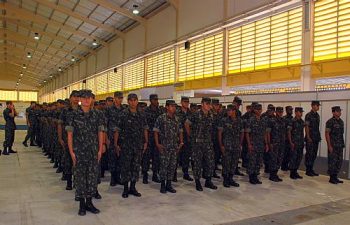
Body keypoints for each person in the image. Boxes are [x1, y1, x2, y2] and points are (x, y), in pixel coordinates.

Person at [66, 89, 105, 216]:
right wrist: (71, 151)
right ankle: (82, 205)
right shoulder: (73, 115)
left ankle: (89, 202)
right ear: (80, 100)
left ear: (92, 99)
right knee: (80, 178)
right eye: (84, 97)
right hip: (79, 152)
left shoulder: (97, 114)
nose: (87, 100)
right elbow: (70, 134)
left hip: (93, 151)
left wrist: (100, 149)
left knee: (92, 178)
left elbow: (100, 132)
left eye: (89, 97)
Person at [113, 93, 149, 198]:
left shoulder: (141, 114)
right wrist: (116, 144)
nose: (133, 102)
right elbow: (117, 130)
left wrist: (146, 141)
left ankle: (133, 187)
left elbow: (145, 128)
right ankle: (125, 188)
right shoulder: (123, 114)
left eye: (135, 100)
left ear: (137, 101)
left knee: (136, 166)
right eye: (131, 100)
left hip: (138, 145)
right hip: (126, 146)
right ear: (128, 101)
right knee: (125, 167)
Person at [185, 97, 217, 191]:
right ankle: (198, 182)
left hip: (208, 142)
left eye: (209, 104)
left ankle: (208, 180)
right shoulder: (196, 114)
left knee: (210, 162)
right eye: (207, 104)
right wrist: (191, 135)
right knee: (197, 162)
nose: (209, 106)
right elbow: (186, 124)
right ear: (202, 104)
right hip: (197, 143)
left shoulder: (211, 115)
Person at [154, 100, 184, 194]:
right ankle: (163, 185)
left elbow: (180, 131)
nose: (173, 108)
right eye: (171, 106)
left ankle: (169, 184)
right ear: (167, 107)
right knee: (164, 166)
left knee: (172, 166)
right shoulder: (161, 118)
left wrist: (181, 142)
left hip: (174, 146)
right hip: (164, 146)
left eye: (174, 106)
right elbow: (156, 131)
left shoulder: (177, 118)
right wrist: (157, 143)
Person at [218, 104, 244, 188]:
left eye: (230, 110)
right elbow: (220, 133)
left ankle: (231, 178)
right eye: (227, 110)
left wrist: (240, 144)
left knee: (234, 163)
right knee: (226, 163)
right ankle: (225, 179)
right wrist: (221, 145)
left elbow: (242, 133)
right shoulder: (224, 120)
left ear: (234, 111)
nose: (228, 112)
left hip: (236, 145)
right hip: (227, 145)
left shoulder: (240, 121)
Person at [58, 90, 80, 190]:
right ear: (70, 98)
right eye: (74, 96)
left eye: (77, 97)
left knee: (78, 161)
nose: (76, 99)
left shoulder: (82, 110)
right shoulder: (65, 110)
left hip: (80, 141)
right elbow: (60, 124)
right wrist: (60, 138)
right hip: (68, 140)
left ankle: (77, 181)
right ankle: (69, 181)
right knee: (68, 160)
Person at [105, 91, 125, 187]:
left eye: (121, 98)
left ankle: (119, 177)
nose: (120, 99)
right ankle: (113, 178)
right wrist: (106, 139)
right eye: (118, 98)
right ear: (114, 98)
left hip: (122, 137)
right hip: (111, 137)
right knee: (112, 158)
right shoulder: (109, 110)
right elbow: (105, 125)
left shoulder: (124, 109)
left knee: (120, 158)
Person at [245, 103, 268, 184]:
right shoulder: (251, 120)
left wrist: (266, 143)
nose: (259, 111)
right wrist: (249, 144)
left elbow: (264, 133)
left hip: (260, 144)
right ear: (254, 110)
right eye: (258, 109)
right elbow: (247, 133)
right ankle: (251, 177)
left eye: (260, 109)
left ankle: (256, 176)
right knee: (252, 161)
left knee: (258, 161)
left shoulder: (262, 120)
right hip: (253, 144)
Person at [143, 94, 162, 184]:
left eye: (157, 99)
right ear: (150, 100)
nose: (156, 101)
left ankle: (155, 174)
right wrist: (145, 140)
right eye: (154, 99)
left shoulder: (160, 111)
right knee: (146, 157)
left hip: (157, 138)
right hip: (148, 137)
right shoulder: (146, 111)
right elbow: (144, 126)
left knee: (156, 157)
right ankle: (145, 175)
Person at [175, 96, 193, 181]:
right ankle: (173, 174)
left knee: (186, 156)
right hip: (178, 137)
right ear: (181, 102)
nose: (186, 103)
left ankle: (185, 173)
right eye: (185, 102)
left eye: (187, 102)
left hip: (187, 137)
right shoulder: (177, 112)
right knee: (176, 156)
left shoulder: (190, 113)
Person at [325, 106, 345, 184]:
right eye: (338, 111)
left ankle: (335, 176)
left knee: (339, 161)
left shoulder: (341, 122)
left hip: (340, 145)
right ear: (333, 112)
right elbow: (327, 134)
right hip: (333, 145)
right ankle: (332, 178)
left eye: (340, 111)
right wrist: (329, 145)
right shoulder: (330, 122)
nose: (339, 112)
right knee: (332, 162)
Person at [266, 106, 286, 182]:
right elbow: (268, 133)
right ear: (276, 112)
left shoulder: (283, 120)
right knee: (273, 159)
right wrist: (269, 142)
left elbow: (284, 132)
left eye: (281, 112)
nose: (280, 113)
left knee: (279, 159)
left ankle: (275, 173)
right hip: (274, 143)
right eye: (279, 112)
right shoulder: (272, 121)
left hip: (281, 143)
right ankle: (272, 175)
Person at [304, 101, 321, 177]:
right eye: (317, 105)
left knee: (314, 154)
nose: (318, 107)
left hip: (316, 138)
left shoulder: (317, 115)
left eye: (318, 106)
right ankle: (308, 170)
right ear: (313, 106)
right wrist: (308, 137)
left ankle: (311, 169)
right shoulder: (308, 115)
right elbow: (306, 127)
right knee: (309, 154)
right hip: (310, 138)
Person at [288, 107, 305, 180]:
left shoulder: (301, 121)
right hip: (294, 143)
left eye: (301, 112)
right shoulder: (292, 121)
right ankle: (292, 173)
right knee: (293, 158)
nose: (301, 113)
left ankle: (295, 171)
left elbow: (302, 132)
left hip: (300, 142)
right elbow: (288, 132)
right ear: (296, 112)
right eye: (300, 112)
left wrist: (303, 141)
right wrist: (291, 142)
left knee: (299, 158)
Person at [211, 98, 222, 179]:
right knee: (210, 157)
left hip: (217, 138)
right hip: (210, 139)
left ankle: (213, 170)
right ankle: (209, 172)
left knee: (216, 156)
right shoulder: (209, 114)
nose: (217, 106)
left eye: (218, 105)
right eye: (215, 104)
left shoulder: (218, 114)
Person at [281, 106, 293, 171]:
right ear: (286, 110)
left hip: (291, 138)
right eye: (290, 110)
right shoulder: (284, 118)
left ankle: (287, 165)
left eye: (291, 110)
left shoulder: (292, 118)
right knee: (285, 153)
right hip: (285, 138)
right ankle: (283, 165)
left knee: (289, 153)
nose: (291, 111)